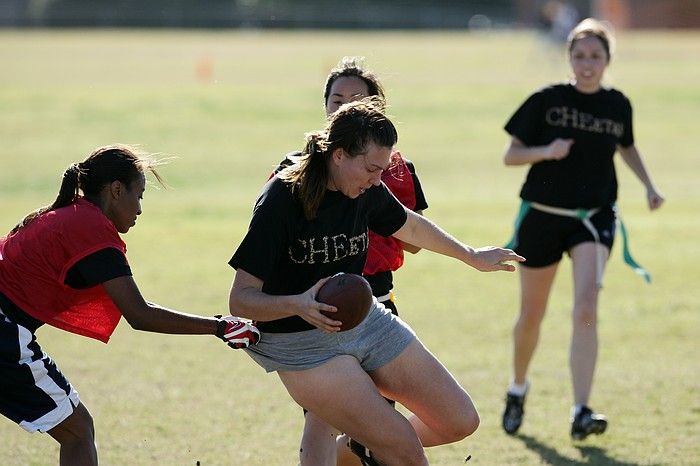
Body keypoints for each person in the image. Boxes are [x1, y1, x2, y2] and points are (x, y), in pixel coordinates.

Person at [228, 98, 524, 466]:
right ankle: (380, 444)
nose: (377, 180)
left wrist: (471, 255)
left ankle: (358, 448)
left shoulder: (365, 188)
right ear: (338, 155)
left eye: (382, 169)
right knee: (403, 448)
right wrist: (299, 303)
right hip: (298, 341)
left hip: (363, 320)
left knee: (460, 420)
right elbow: (240, 299)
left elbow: (410, 224)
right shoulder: (283, 198)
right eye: (370, 168)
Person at [0, 144, 260, 466]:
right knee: (78, 430)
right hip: (4, 331)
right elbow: (139, 314)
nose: (139, 209)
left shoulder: (70, 215)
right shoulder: (91, 230)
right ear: (116, 190)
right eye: (139, 196)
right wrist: (219, 326)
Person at [500, 18, 664, 440]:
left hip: (593, 218)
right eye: (580, 55)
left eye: (596, 56)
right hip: (542, 215)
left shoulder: (617, 104)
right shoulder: (547, 100)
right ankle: (518, 388)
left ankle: (581, 410)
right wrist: (547, 151)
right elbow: (511, 156)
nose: (587, 64)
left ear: (608, 59)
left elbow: (626, 145)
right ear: (568, 57)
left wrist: (649, 184)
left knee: (587, 309)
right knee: (532, 315)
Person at [291, 57, 429, 466]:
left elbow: (416, 240)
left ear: (377, 108)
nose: (344, 107)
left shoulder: (398, 170)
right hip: (321, 310)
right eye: (336, 99)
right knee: (322, 417)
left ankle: (352, 453)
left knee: (377, 426)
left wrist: (375, 205)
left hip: (379, 306)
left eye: (357, 99)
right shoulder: (300, 170)